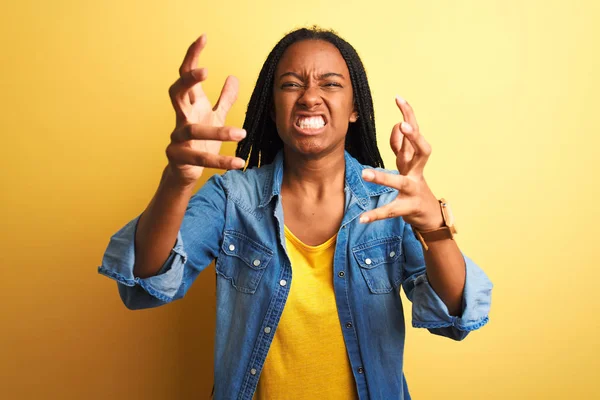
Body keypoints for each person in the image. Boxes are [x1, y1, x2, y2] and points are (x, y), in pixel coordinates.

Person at [98, 26, 493, 400]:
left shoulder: (390, 199)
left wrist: (434, 226)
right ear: (272, 109)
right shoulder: (231, 197)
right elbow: (144, 281)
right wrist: (178, 180)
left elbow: (455, 316)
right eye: (291, 84)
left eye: (331, 83)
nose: (308, 96)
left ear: (355, 109)